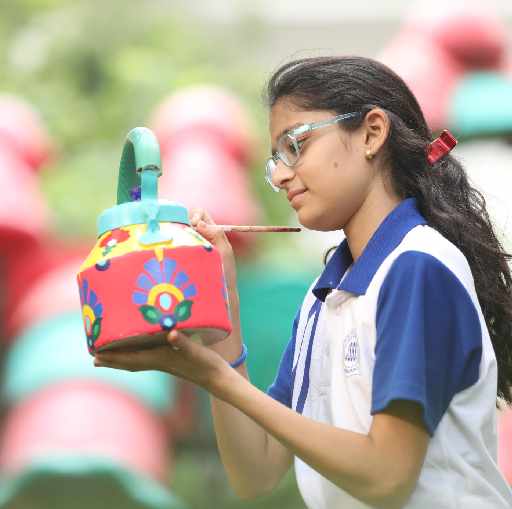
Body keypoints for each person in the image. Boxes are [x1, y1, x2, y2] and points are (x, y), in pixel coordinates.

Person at [94, 56, 512, 508]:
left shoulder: (415, 267)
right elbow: (255, 472)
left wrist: (215, 377)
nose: (279, 174)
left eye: (295, 145)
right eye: (276, 158)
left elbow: (387, 476)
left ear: (372, 133)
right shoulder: (323, 297)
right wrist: (221, 312)